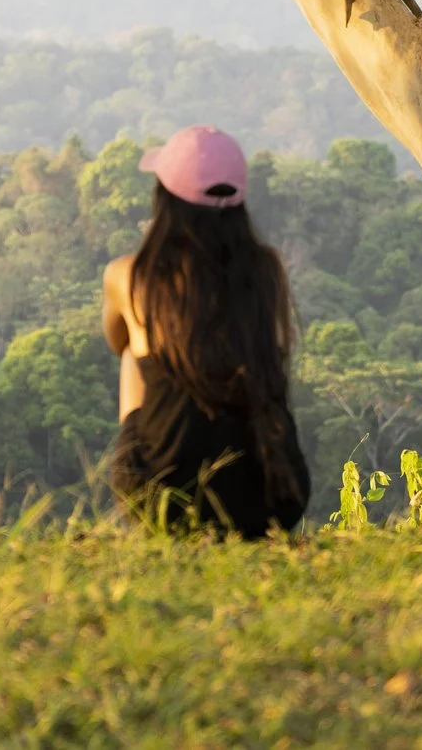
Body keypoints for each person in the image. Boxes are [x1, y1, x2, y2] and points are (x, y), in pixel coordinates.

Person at [103, 124, 310, 536]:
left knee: (134, 355)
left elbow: (117, 341)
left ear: (165, 199)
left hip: (163, 501)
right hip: (271, 499)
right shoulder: (266, 271)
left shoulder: (130, 277)